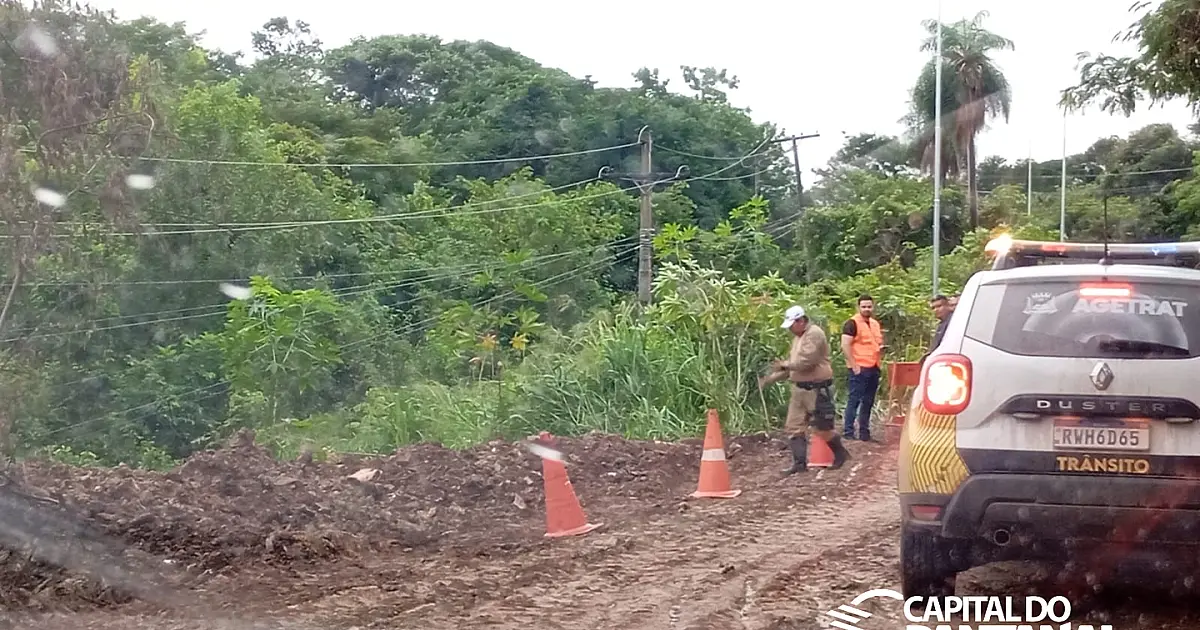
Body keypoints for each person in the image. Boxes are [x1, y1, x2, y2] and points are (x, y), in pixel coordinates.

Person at [759, 305, 851, 474]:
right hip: (799, 389)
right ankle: (799, 464)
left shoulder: (814, 334)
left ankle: (840, 454)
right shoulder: (798, 338)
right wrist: (771, 378)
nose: (791, 330)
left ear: (801, 321)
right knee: (794, 426)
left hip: (816, 389)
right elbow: (794, 367)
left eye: (792, 325)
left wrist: (784, 365)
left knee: (822, 428)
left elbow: (805, 362)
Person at [840, 294, 884, 441]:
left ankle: (864, 433)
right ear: (858, 307)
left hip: (874, 366)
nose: (866, 309)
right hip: (859, 367)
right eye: (864, 306)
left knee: (868, 401)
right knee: (854, 400)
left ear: (873, 306)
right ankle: (848, 432)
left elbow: (875, 343)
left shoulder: (875, 324)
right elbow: (845, 345)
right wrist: (854, 365)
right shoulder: (851, 323)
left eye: (869, 306)